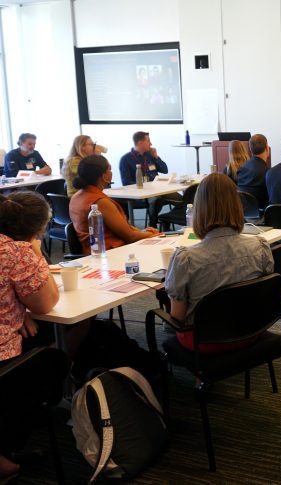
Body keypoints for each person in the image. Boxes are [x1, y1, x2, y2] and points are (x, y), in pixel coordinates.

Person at [164, 173, 274, 353]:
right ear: (237, 205)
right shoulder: (260, 247)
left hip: (203, 342)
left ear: (199, 209)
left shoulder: (186, 259)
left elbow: (178, 317)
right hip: (251, 332)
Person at [0, 191, 67, 480]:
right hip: (4, 362)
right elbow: (46, 303)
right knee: (55, 357)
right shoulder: (17, 253)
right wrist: (36, 253)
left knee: (41, 333)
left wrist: (19, 311)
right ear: (37, 229)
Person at [69, 155, 160, 254]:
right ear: (104, 176)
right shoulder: (100, 202)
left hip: (93, 251)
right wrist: (153, 233)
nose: (111, 172)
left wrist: (143, 232)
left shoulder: (76, 197)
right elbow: (130, 236)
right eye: (110, 169)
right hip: (111, 252)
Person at [118, 131, 180, 222]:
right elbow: (126, 182)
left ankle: (165, 220)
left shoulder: (150, 155)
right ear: (140, 142)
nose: (151, 144)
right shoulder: (125, 159)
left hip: (159, 190)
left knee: (183, 201)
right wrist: (146, 186)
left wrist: (156, 157)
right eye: (148, 141)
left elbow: (164, 170)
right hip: (142, 194)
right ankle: (153, 224)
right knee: (156, 200)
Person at [237, 134, 271, 209]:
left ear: (250, 149)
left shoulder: (241, 169)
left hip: (243, 212)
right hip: (262, 214)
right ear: (267, 148)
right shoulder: (268, 172)